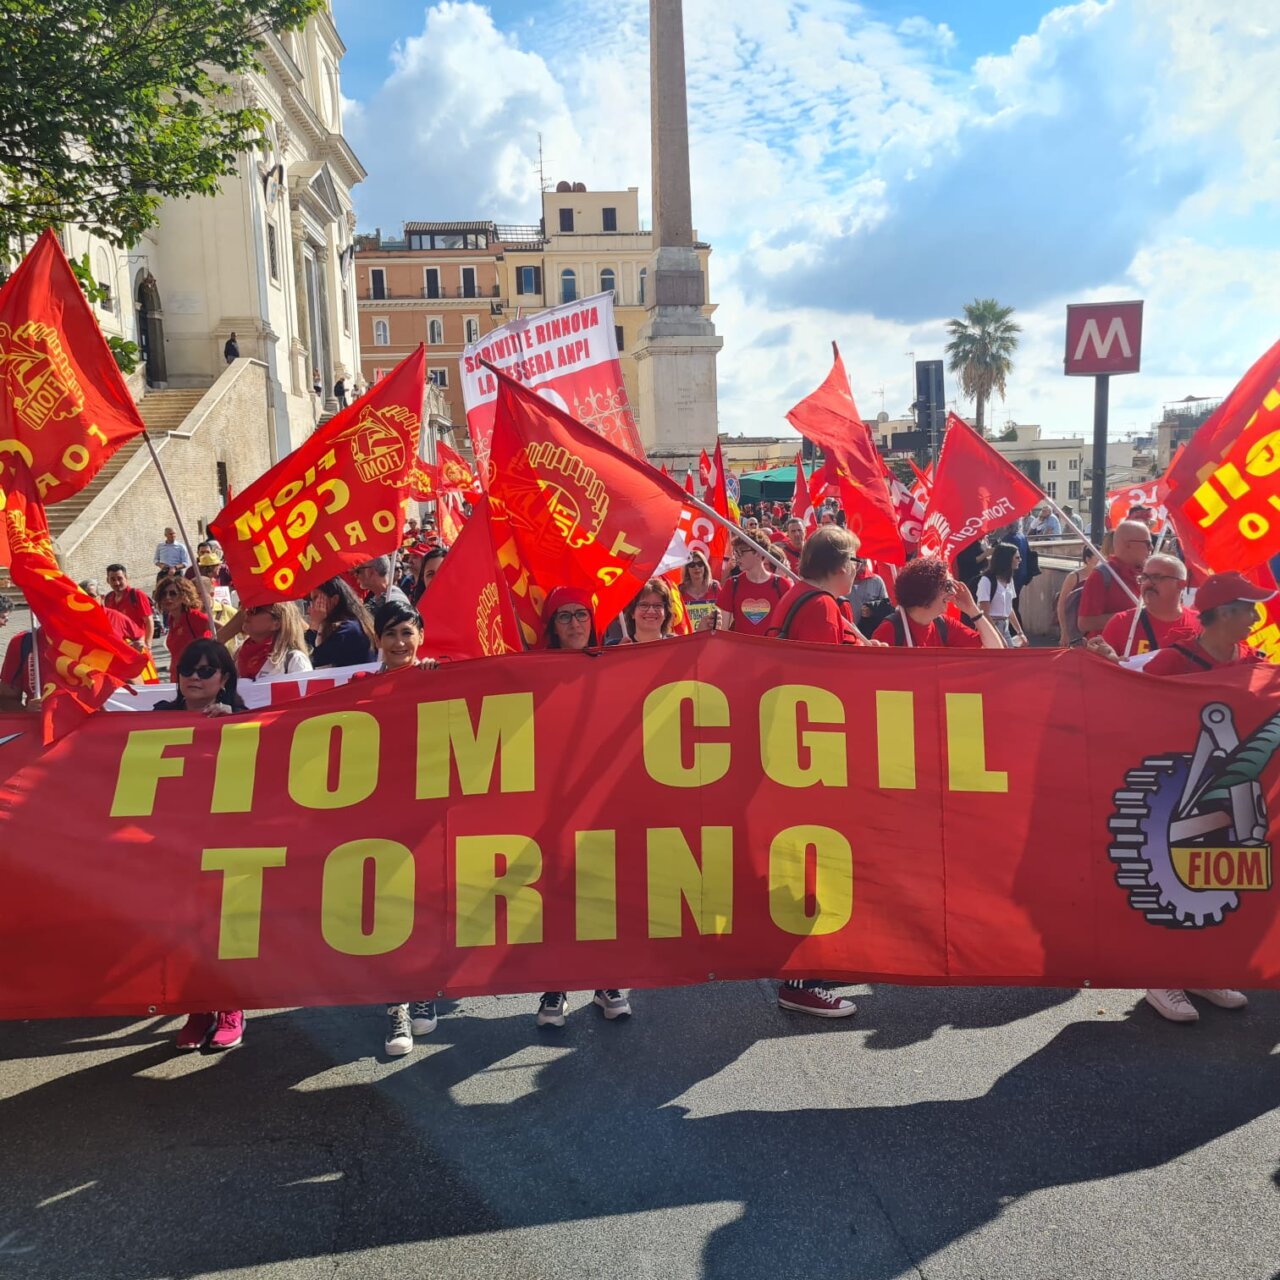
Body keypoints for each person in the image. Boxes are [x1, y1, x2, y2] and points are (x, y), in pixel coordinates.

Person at [762, 527, 867, 1018]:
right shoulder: (821, 606)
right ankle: (799, 979)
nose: (861, 570)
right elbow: (827, 682)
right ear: (840, 564)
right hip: (812, 750)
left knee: (810, 860)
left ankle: (810, 967)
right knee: (814, 863)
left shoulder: (797, 599)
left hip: (793, 747)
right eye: (856, 561)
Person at [536, 586, 629, 1027]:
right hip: (551, 798)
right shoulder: (533, 668)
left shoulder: (615, 663)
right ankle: (554, 986)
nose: (575, 623)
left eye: (582, 615)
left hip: (600, 797)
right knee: (555, 894)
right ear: (551, 626)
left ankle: (605, 980)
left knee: (601, 892)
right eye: (565, 616)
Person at [154, 639, 249, 1050]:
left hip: (226, 838)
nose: (194, 676)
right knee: (182, 926)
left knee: (223, 924)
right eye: (188, 669)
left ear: (224, 679)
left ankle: (230, 1005)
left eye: (207, 670)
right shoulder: (155, 718)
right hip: (173, 841)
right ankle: (197, 1008)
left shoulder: (242, 718)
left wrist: (236, 726)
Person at [367, 600, 442, 1055]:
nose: (399, 643)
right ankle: (396, 1003)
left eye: (407, 633)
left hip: (428, 813)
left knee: (427, 902)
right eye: (391, 633)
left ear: (420, 637)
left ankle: (424, 989)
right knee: (389, 909)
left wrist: (440, 681)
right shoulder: (358, 688)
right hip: (377, 814)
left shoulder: (439, 677)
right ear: (378, 639)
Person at [1140, 572, 1272, 676]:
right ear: (1224, 614)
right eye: (1250, 609)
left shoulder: (1256, 661)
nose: (1258, 618)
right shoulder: (1172, 662)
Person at [873, 557, 1005, 648]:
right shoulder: (889, 630)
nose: (952, 592)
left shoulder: (945, 625)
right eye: (947, 586)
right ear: (926, 590)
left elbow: (994, 649)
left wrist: (973, 610)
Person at [1099, 554, 1197, 659]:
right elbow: (1101, 671)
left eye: (1156, 577)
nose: (1147, 583)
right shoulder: (1121, 623)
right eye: (1144, 577)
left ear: (1181, 585)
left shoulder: (1203, 625)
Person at [1077, 520, 1149, 635]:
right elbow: (1085, 623)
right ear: (1128, 545)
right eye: (1147, 543)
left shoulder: (1147, 573)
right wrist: (1131, 616)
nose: (1151, 548)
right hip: (1110, 649)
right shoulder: (1102, 575)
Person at [715, 535, 788, 635]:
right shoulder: (732, 584)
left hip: (773, 649)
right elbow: (722, 630)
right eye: (735, 552)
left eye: (741, 552)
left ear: (758, 553)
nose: (736, 557)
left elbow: (792, 626)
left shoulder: (782, 585)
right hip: (741, 649)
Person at [306, 578, 377, 668]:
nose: (311, 606)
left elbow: (312, 659)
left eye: (315, 598)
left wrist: (314, 626)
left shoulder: (348, 629)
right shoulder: (344, 626)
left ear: (334, 600)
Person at [234, 601, 314, 679]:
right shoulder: (240, 656)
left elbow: (307, 691)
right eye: (248, 608)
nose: (247, 613)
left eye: (255, 610)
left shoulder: (295, 660)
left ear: (276, 624)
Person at [977, 543, 1029, 645]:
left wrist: (1020, 632)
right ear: (1007, 559)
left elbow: (1009, 608)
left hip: (1005, 626)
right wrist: (998, 636)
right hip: (991, 626)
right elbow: (984, 613)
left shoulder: (1009, 580)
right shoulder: (986, 580)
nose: (1020, 560)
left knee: (1009, 658)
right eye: (1017, 557)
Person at [156, 576, 211, 671]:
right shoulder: (171, 618)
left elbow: (220, 629)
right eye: (163, 594)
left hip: (195, 675)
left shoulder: (193, 616)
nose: (167, 597)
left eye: (173, 594)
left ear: (183, 596)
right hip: (177, 675)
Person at [104, 563, 155, 654]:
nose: (117, 583)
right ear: (108, 580)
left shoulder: (136, 595)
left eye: (120, 578)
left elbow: (149, 621)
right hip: (120, 649)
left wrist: (148, 645)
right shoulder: (108, 599)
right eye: (113, 579)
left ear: (126, 577)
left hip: (138, 646)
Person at [1056, 547, 1098, 647]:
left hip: (1093, 625)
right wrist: (1064, 632)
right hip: (1075, 626)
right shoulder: (1074, 576)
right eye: (1098, 558)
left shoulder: (1101, 576)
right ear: (1088, 559)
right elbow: (1061, 604)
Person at [847, 558, 891, 637]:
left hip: (868, 636)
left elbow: (887, 608)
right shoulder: (840, 579)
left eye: (861, 557)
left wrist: (872, 609)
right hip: (846, 633)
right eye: (854, 557)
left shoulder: (876, 581)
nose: (859, 561)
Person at [622, 578, 675, 643]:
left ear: (666, 613)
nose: (651, 611)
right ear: (632, 612)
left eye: (657, 605)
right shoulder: (615, 647)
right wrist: (619, 652)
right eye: (644, 605)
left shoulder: (677, 645)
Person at [680, 550, 719, 631]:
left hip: (710, 637)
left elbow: (724, 613)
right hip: (689, 639)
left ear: (705, 567)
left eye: (700, 564)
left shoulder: (715, 587)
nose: (696, 567)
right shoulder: (680, 590)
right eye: (692, 564)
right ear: (687, 569)